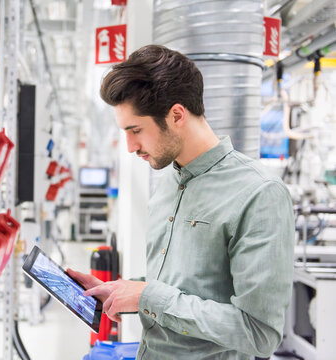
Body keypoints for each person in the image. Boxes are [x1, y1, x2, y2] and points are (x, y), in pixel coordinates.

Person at [67, 45, 295, 360]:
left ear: (176, 115)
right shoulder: (169, 182)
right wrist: (124, 291)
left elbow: (259, 333)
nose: (131, 146)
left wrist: (148, 296)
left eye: (136, 130)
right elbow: (181, 287)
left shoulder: (259, 193)